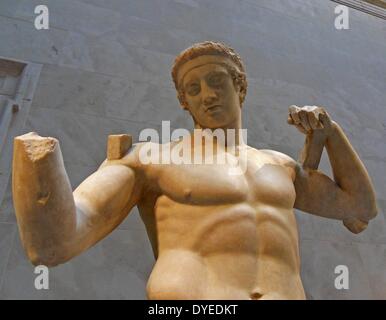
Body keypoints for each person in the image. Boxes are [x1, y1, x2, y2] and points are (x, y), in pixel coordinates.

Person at [12, 41, 377, 300]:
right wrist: (38, 163)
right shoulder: (148, 159)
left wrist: (332, 134)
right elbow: (56, 243)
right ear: (184, 101)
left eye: (217, 81)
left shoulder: (279, 165)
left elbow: (360, 208)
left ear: (240, 88)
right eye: (193, 88)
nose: (207, 94)